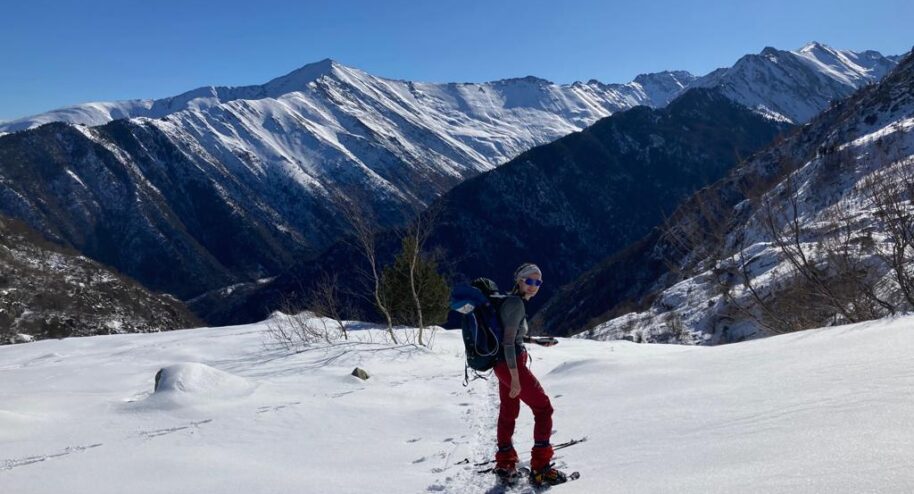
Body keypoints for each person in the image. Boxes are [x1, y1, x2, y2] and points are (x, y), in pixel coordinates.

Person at [492, 262, 567, 486]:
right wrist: (515, 377)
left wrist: (534, 341)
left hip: (502, 364)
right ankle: (541, 468)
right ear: (519, 280)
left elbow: (512, 335)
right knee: (543, 408)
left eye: (538, 282)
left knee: (508, 411)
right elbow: (508, 342)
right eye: (530, 280)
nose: (534, 286)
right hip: (511, 364)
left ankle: (505, 463)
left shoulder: (509, 301)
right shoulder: (516, 304)